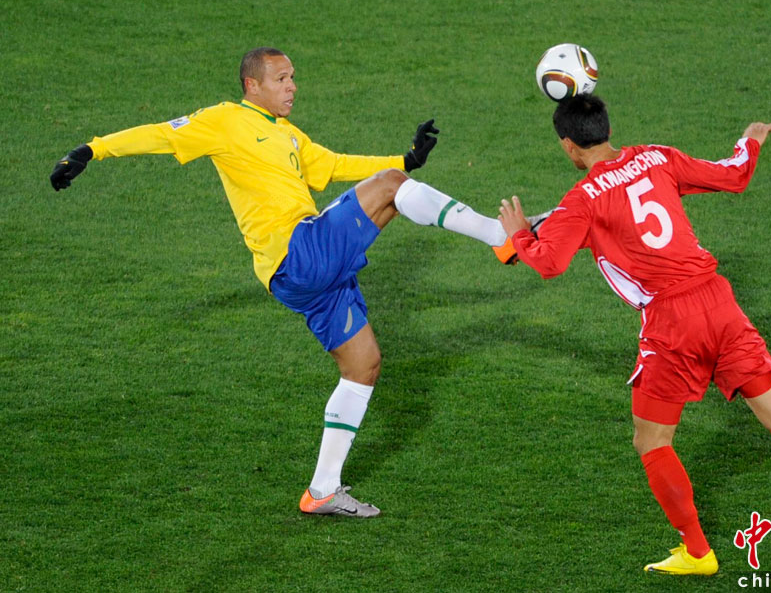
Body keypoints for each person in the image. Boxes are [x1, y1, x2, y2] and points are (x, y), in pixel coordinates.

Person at [50, 46, 518, 518]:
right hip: (299, 251)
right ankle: (501, 237)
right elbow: (160, 134)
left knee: (363, 366)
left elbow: (330, 165)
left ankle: (322, 491)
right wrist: (92, 149)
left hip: (298, 277)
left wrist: (407, 157)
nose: (292, 87)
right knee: (391, 187)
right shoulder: (225, 120)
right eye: (281, 79)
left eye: (293, 77)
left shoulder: (288, 134)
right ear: (252, 85)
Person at [497, 94, 771, 575]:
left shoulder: (582, 200)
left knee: (653, 442)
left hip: (670, 321)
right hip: (719, 302)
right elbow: (734, 175)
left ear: (568, 146)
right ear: (607, 129)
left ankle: (698, 553)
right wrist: (750, 141)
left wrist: (519, 235)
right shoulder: (656, 156)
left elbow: (550, 263)